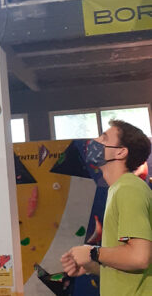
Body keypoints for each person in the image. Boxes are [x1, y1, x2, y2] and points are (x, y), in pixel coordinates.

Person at [60, 119, 152, 295]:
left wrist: (93, 252)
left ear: (120, 152)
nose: (95, 141)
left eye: (104, 138)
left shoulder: (128, 189)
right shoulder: (119, 189)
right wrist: (92, 266)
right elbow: (130, 267)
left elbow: (140, 257)